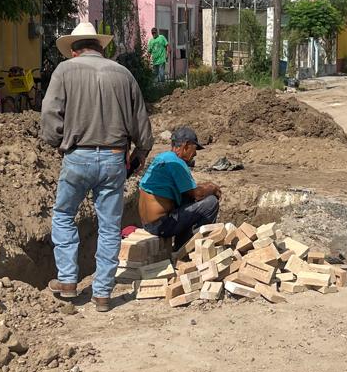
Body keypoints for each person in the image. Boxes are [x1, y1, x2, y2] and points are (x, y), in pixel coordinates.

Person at [41, 21, 152, 312]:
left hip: (78, 155)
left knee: (64, 214)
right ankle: (102, 293)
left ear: (74, 51)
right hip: (115, 158)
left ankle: (67, 280)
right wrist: (140, 153)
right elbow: (141, 122)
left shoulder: (65, 71)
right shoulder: (123, 74)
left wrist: (56, 142)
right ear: (100, 48)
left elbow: (50, 114)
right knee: (109, 226)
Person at [138, 126, 220, 249]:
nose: (195, 153)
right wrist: (212, 188)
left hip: (148, 223)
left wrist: (205, 186)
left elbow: (188, 189)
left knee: (187, 199)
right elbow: (198, 194)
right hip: (161, 225)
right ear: (186, 145)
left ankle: (181, 246)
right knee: (211, 202)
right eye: (194, 148)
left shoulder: (163, 158)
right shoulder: (177, 163)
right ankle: (194, 248)